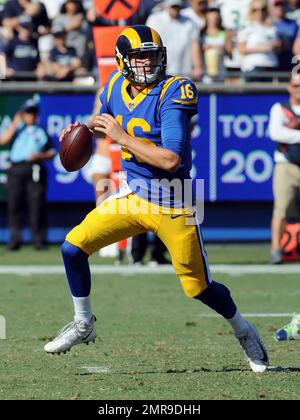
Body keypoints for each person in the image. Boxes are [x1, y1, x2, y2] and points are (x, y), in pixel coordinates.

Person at [44, 25, 269, 373]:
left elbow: (170, 159)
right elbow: (101, 122)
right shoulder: (114, 88)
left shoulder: (174, 91)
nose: (147, 63)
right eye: (139, 56)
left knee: (198, 287)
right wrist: (81, 132)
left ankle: (244, 330)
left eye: (152, 55)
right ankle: (83, 323)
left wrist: (121, 138)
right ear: (123, 60)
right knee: (72, 248)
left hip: (174, 201)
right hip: (133, 194)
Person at [0, 98, 56, 250]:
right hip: (16, 168)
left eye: (33, 112)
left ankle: (39, 240)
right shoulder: (16, 129)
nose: (31, 116)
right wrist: (16, 121)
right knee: (14, 204)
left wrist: (40, 156)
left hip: (34, 168)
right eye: (28, 112)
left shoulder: (41, 130)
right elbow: (3, 140)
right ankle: (14, 240)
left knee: (36, 205)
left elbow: (52, 151)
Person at [268, 76, 300, 264]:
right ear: (289, 87)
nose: (299, 89)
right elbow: (276, 133)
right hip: (286, 164)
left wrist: (292, 132)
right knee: (281, 209)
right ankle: (276, 250)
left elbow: (286, 133)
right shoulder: (280, 108)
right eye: (296, 85)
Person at [146, 0, 204, 80]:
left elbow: (194, 45)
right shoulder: (155, 20)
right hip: (160, 71)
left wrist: (197, 66)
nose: (175, 9)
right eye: (173, 6)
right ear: (166, 6)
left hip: (184, 71)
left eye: (177, 6)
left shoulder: (189, 22)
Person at [237, 0, 281, 81]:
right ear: (251, 11)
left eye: (262, 9)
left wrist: (277, 46)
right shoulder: (246, 27)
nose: (259, 13)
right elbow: (240, 48)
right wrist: (263, 48)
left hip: (270, 66)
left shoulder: (272, 28)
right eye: (255, 10)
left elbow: (277, 49)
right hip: (253, 68)